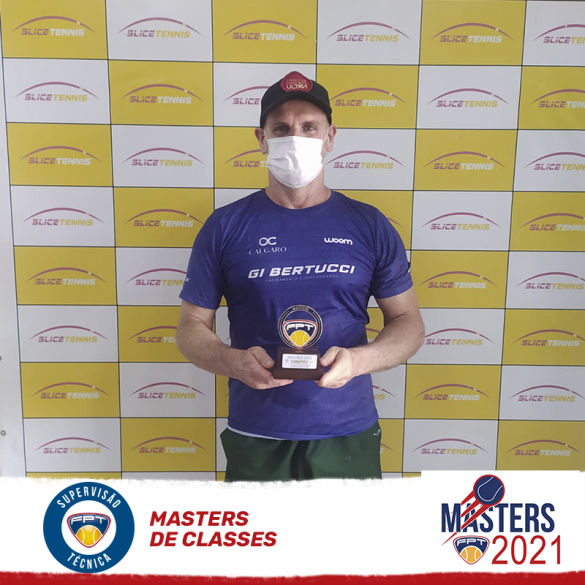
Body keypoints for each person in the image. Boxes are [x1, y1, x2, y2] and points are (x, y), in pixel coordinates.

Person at [176, 71, 425, 481]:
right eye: (281, 129)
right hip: (256, 433)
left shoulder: (369, 224)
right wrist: (233, 361)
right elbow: (190, 326)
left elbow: (408, 322)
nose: (296, 138)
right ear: (261, 138)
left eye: (309, 127)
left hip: (347, 432)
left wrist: (360, 361)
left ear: (330, 137)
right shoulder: (225, 226)